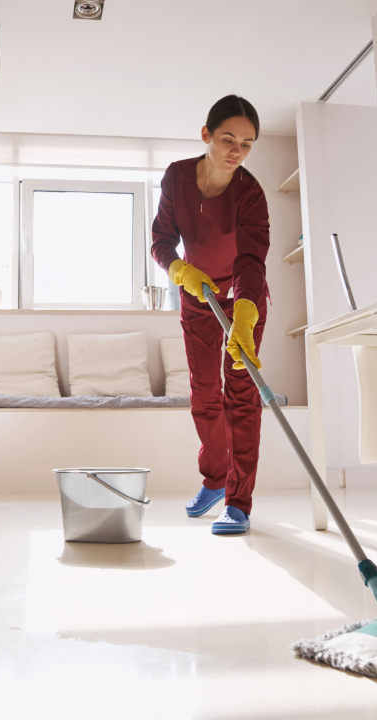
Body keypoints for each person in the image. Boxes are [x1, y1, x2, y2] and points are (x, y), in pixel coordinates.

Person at [150, 95, 269, 536]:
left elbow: (252, 260)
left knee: (241, 393)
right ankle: (215, 479)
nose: (236, 151)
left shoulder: (250, 194)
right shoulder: (177, 177)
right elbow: (161, 239)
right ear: (206, 135)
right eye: (227, 139)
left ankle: (238, 502)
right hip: (196, 292)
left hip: (241, 300)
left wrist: (244, 313)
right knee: (204, 391)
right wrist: (178, 268)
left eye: (247, 143)